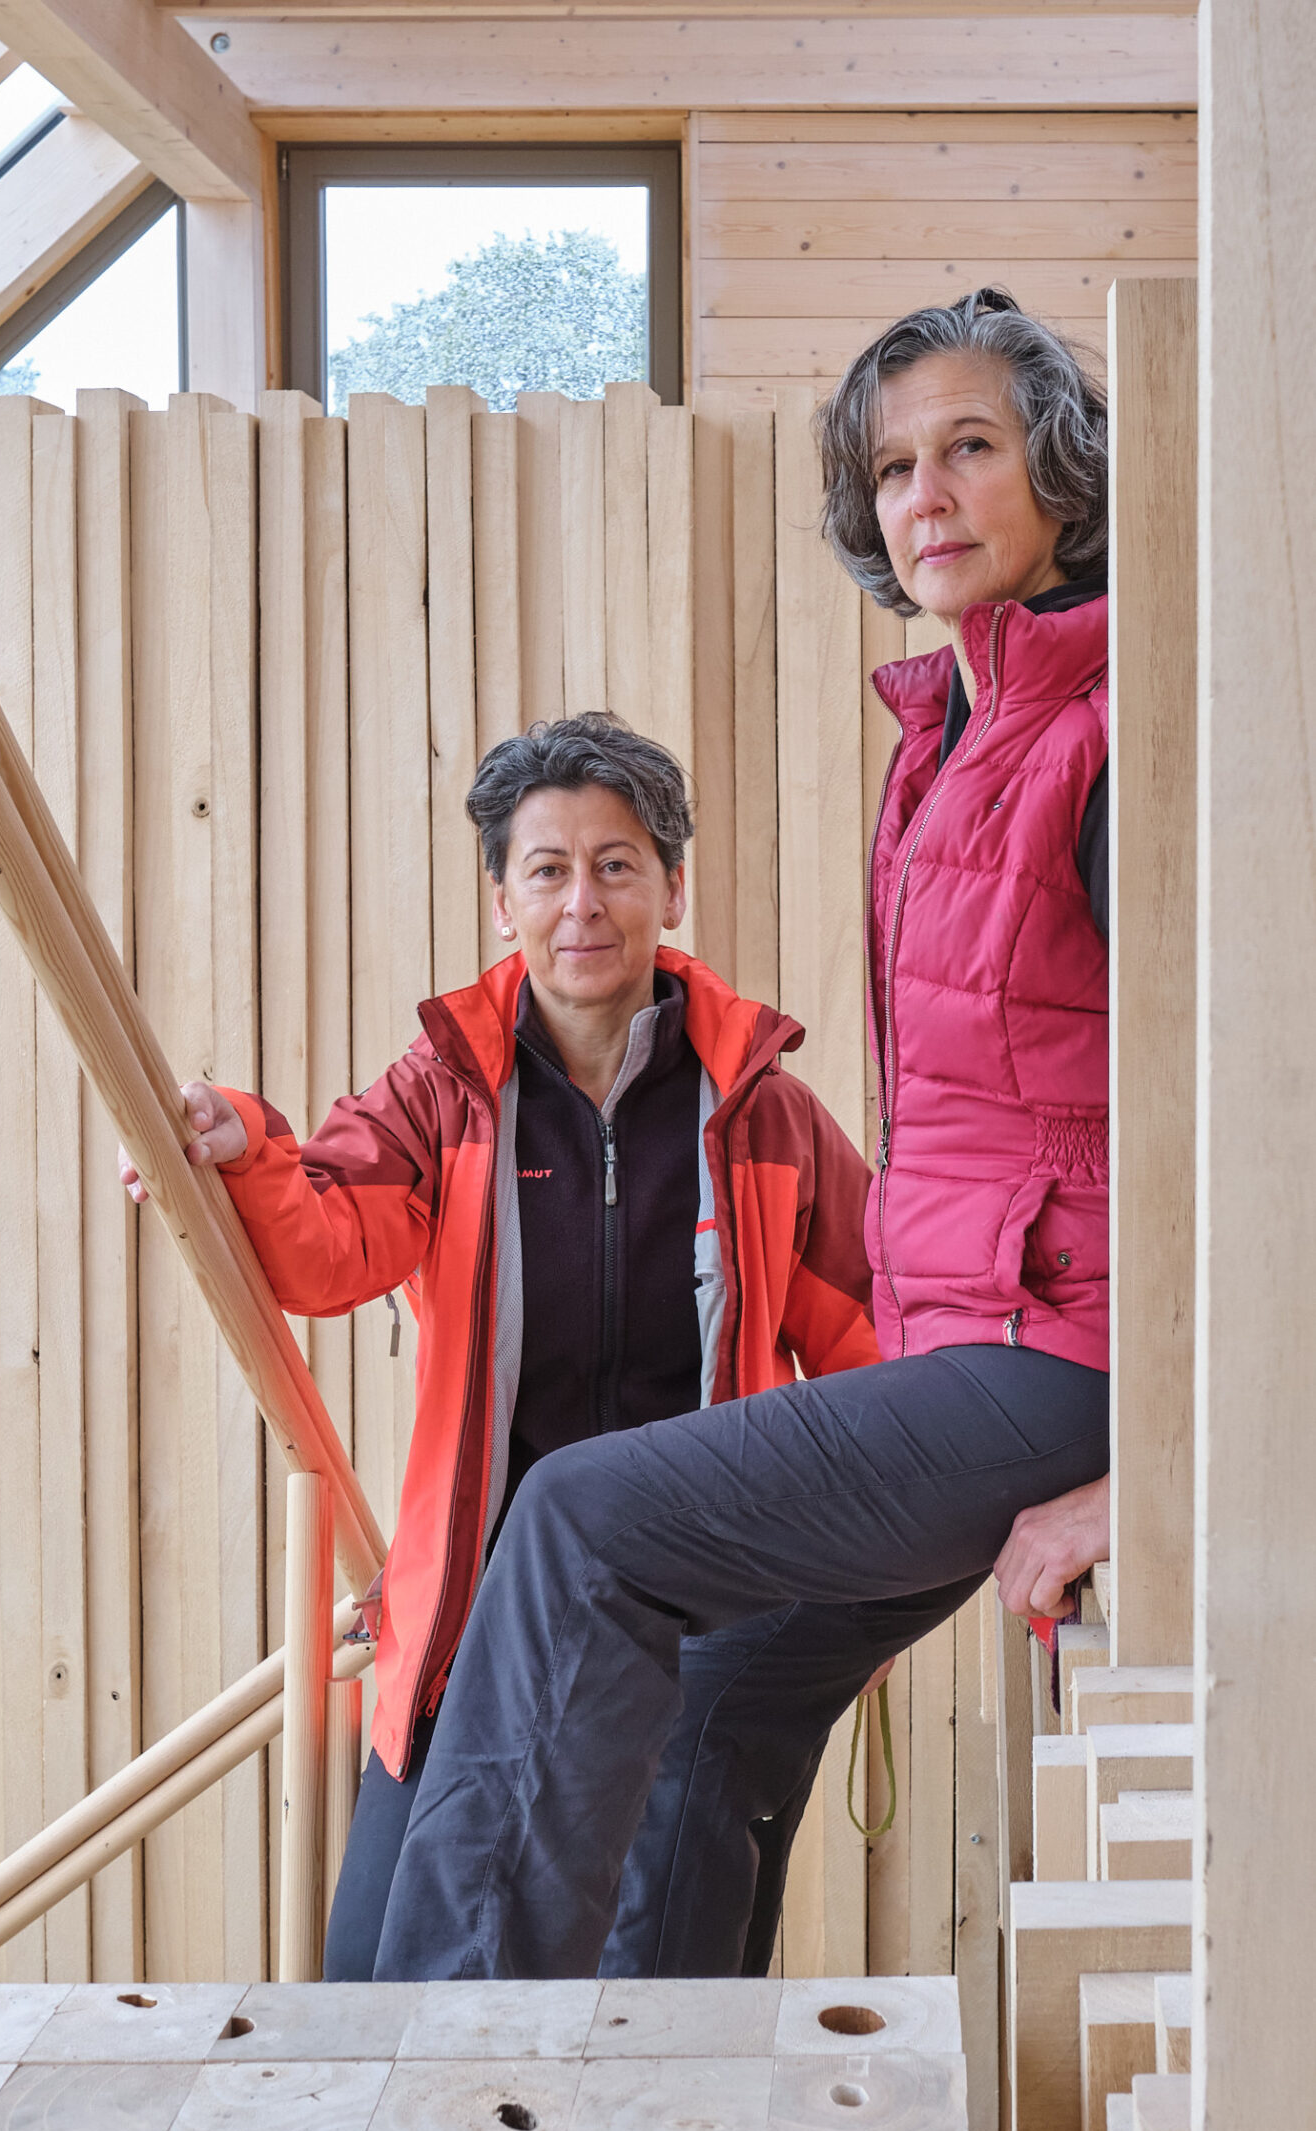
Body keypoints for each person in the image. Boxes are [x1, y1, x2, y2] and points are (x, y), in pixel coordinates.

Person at [371, 287, 1117, 1981]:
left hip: (1066, 1358)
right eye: (891, 466)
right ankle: (658, 2087)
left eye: (971, 449)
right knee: (724, 1675)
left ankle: (447, 2048)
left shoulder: (1107, 739)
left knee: (578, 1519)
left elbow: (1251, 1127)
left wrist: (1160, 1474)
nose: (923, 495)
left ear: (1060, 478)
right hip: (977, 1346)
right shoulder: (948, 737)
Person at [122, 713, 882, 1978]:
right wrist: (241, 1149)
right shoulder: (442, 1091)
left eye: (618, 863)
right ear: (501, 900)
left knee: (661, 2011)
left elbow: (880, 1340)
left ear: (671, 886)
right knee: (384, 1987)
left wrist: (846, 1578)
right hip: (474, 1625)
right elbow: (324, 1243)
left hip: (697, 1635)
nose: (582, 901)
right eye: (547, 868)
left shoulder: (764, 1114)